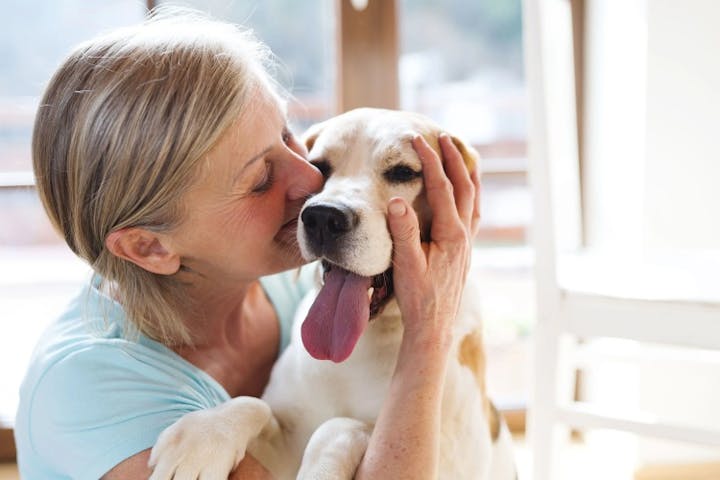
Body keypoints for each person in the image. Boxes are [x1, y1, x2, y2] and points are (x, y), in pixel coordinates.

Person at [15, 8, 481, 480]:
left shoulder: (294, 289)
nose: (311, 183)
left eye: (288, 137)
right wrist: (428, 334)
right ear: (151, 248)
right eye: (260, 178)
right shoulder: (89, 395)